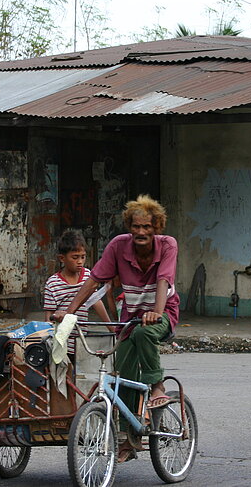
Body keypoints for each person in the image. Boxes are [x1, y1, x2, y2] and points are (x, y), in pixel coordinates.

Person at [53, 195, 179, 463]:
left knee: (145, 334)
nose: (141, 232)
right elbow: (94, 281)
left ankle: (157, 386)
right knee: (123, 375)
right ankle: (128, 440)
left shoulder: (168, 245)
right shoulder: (118, 246)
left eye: (147, 227)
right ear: (129, 227)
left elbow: (163, 280)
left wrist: (156, 312)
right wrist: (69, 314)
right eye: (136, 226)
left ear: (157, 227)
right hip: (130, 318)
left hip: (162, 315)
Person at [44, 229, 113, 355]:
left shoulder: (88, 277)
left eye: (83, 257)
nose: (80, 261)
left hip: (82, 341)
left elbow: (96, 302)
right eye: (75, 258)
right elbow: (49, 317)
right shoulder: (53, 283)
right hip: (62, 342)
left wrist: (111, 327)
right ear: (62, 258)